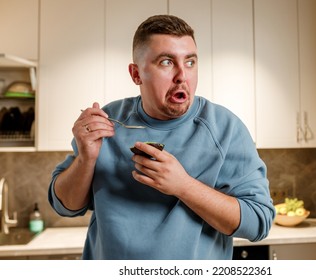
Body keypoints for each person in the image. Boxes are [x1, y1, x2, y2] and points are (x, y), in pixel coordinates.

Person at [48, 14, 275, 260]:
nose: (182, 76)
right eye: (167, 62)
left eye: (190, 62)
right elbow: (65, 206)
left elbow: (258, 222)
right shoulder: (107, 121)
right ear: (136, 74)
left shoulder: (225, 128)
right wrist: (86, 159)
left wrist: (183, 186)